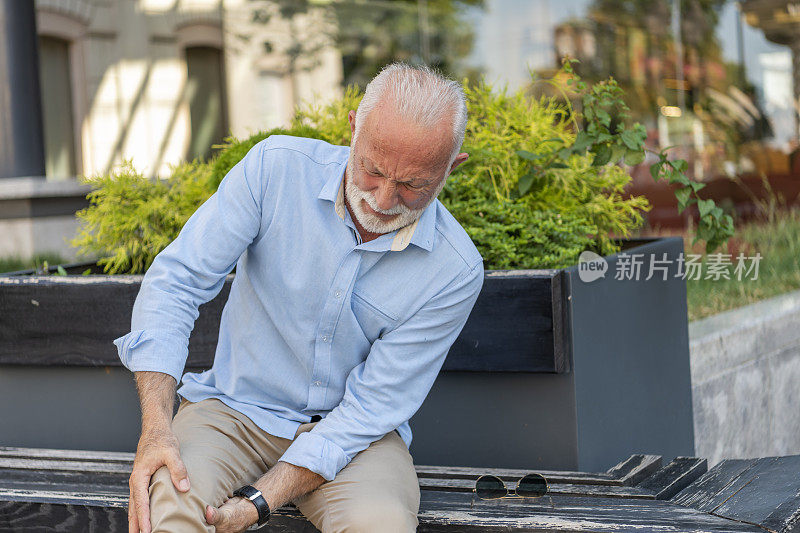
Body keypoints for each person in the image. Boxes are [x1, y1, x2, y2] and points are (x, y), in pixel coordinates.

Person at [115, 62, 484, 533]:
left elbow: (369, 411)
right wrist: (156, 428)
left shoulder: (455, 270)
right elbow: (177, 280)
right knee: (167, 508)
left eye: (414, 185)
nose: (384, 198)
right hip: (233, 410)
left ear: (451, 167)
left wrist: (258, 503)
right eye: (371, 169)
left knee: (381, 525)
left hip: (357, 439)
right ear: (353, 127)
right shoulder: (274, 169)